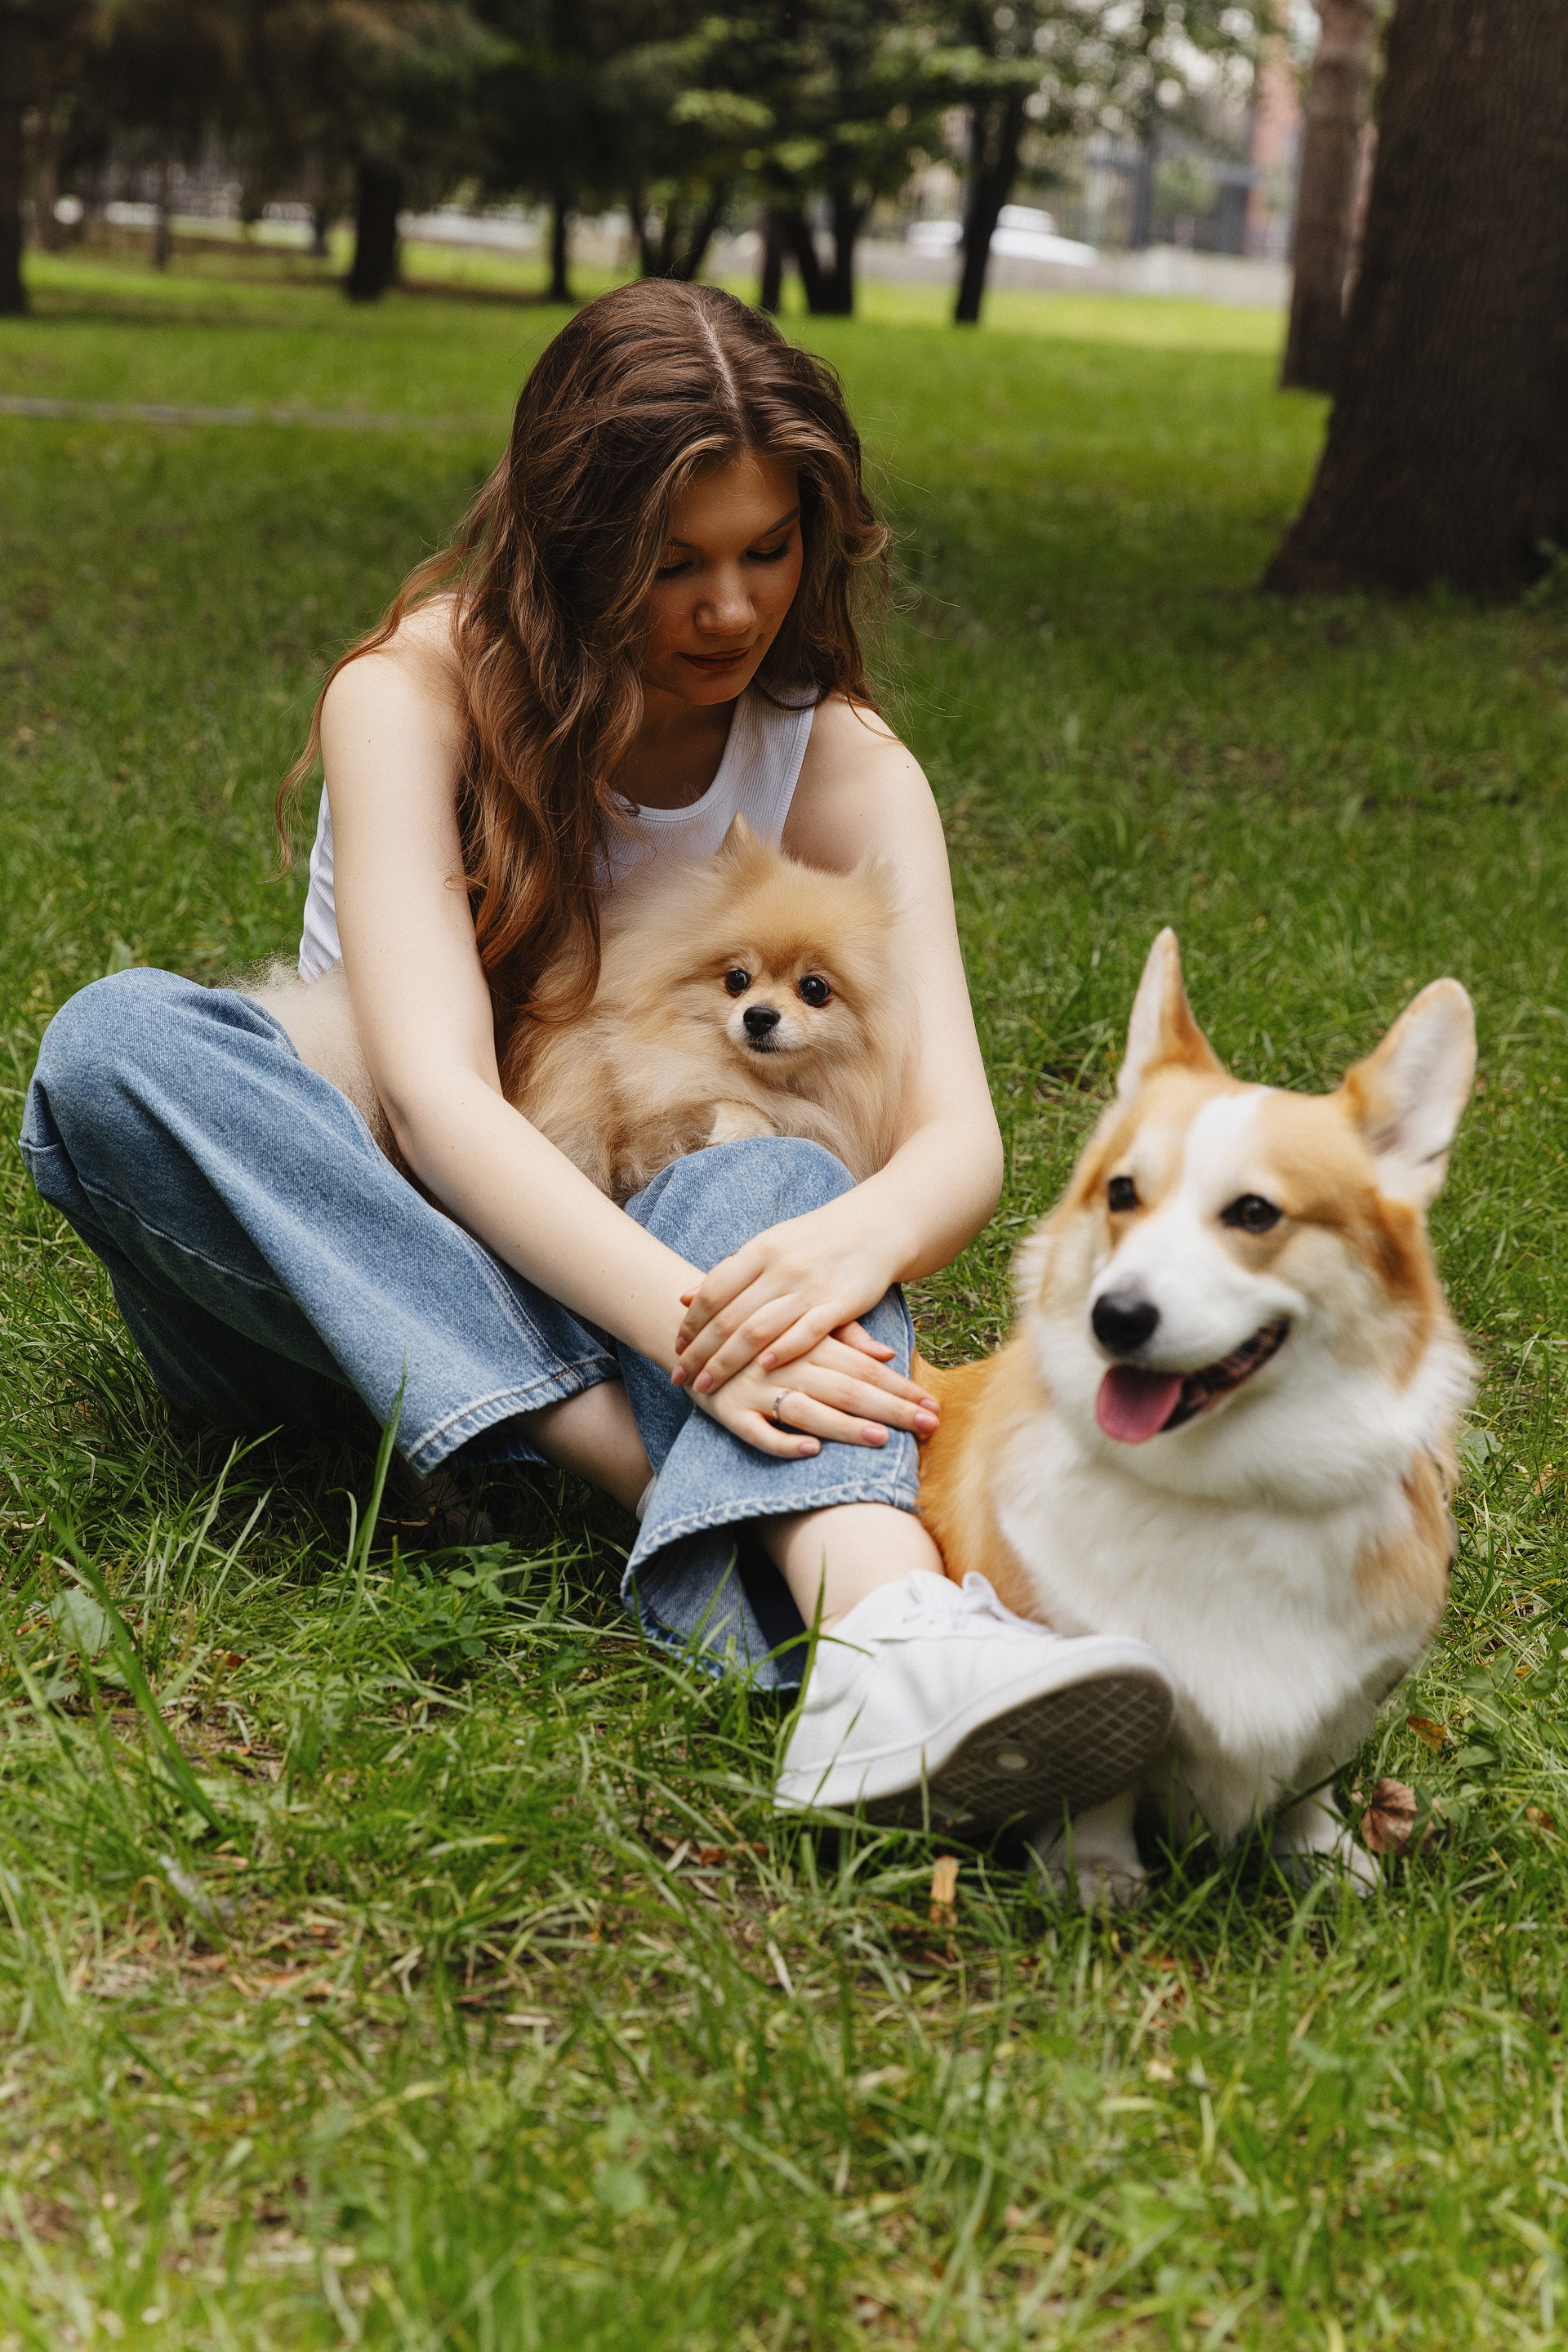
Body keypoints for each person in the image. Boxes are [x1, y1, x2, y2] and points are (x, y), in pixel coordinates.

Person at [21, 282, 1173, 1831]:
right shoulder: (411, 694)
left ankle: (893, 1637)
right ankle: (657, 1474)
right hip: (348, 1278)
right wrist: (697, 1351)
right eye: (673, 564)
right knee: (117, 1050)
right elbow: (431, 1100)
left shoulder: (839, 761)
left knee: (761, 1155)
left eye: (770, 551)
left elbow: (955, 1142)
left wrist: (842, 1244)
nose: (732, 610)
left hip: (675, 1264)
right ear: (566, 547)